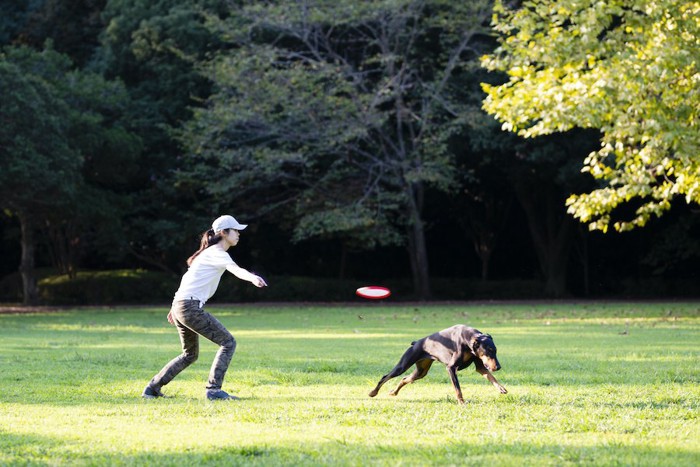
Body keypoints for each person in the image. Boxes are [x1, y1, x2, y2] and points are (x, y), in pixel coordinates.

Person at [142, 215, 267, 400]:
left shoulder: (207, 253)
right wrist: (253, 278)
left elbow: (187, 279)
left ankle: (152, 389)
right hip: (189, 307)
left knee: (189, 354)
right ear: (224, 233)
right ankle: (214, 390)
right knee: (228, 342)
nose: (239, 233)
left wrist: (174, 306)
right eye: (235, 230)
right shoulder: (217, 253)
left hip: (182, 306)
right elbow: (236, 270)